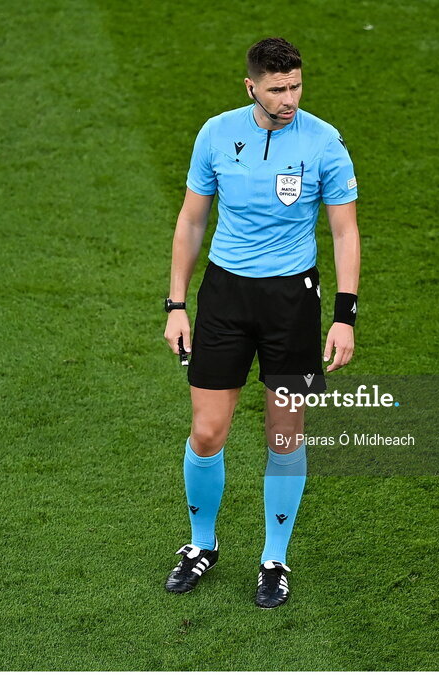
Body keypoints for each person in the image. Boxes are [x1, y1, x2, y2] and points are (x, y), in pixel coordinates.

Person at [162, 37, 360, 609]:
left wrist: (344, 315)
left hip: (292, 304)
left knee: (284, 434)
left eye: (296, 86)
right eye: (277, 89)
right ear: (251, 86)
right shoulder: (216, 134)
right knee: (207, 432)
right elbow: (192, 221)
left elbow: (345, 233)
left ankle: (274, 558)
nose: (289, 98)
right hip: (225, 297)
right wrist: (177, 305)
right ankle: (201, 546)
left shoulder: (324, 143)